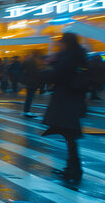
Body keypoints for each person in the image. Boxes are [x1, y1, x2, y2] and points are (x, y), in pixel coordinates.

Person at [41, 33, 88, 185]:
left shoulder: (67, 58)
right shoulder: (78, 56)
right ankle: (73, 168)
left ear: (66, 44)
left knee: (69, 135)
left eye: (61, 42)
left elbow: (57, 76)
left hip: (65, 101)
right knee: (70, 135)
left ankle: (73, 169)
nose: (59, 45)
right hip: (74, 100)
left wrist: (48, 66)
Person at [21, 51, 42, 118]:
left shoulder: (28, 61)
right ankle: (26, 111)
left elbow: (22, 69)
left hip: (29, 81)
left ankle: (26, 111)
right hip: (33, 82)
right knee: (29, 97)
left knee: (29, 97)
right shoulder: (34, 62)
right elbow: (36, 72)